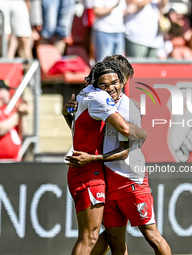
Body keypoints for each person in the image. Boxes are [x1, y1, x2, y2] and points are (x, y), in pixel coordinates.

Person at [65, 55, 172, 255]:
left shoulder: (126, 106)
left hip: (130, 178)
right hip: (108, 178)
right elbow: (82, 128)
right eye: (105, 82)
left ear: (122, 80)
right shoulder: (98, 99)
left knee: (151, 235)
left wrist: (143, 134)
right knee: (112, 239)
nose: (112, 87)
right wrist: (67, 114)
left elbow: (126, 150)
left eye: (115, 81)